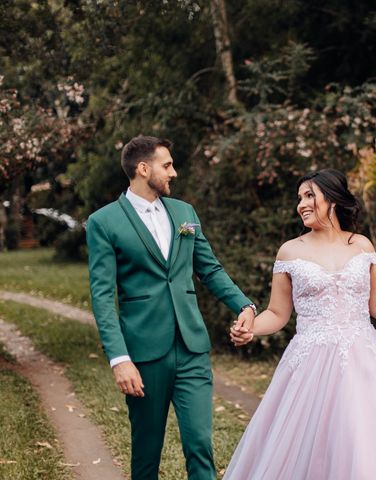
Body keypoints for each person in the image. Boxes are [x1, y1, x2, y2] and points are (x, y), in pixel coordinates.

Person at [226, 169, 376, 479]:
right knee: (307, 442)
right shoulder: (290, 251)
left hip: (363, 360)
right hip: (309, 363)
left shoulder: (362, 246)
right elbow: (277, 314)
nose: (301, 204)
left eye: (309, 196)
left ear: (331, 199)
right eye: (299, 198)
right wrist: (250, 329)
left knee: (365, 440)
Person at [86, 136, 256, 480]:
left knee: (200, 446)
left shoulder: (184, 213)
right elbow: (102, 295)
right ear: (143, 168)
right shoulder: (103, 222)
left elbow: (209, 268)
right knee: (147, 453)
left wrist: (245, 305)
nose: (173, 173)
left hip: (192, 348)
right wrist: (120, 360)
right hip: (144, 354)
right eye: (167, 165)